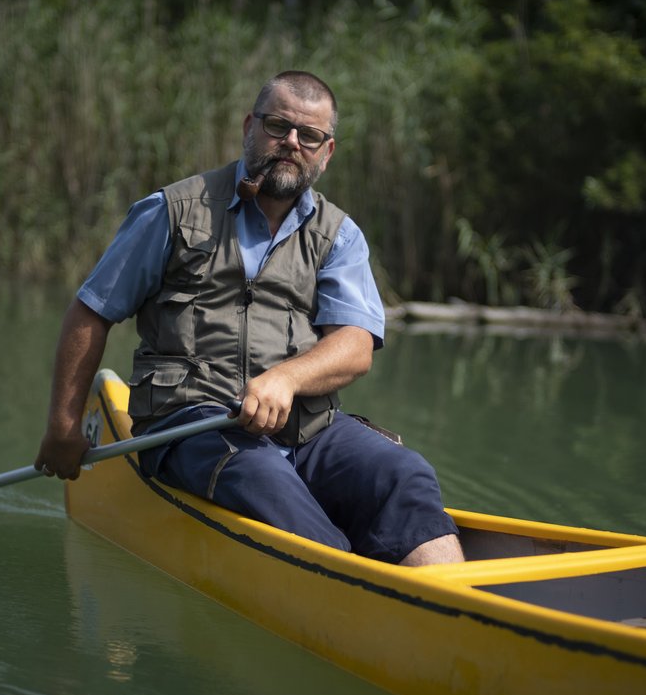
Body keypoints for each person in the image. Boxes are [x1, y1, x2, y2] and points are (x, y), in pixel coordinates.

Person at [33, 70, 463, 566]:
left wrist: (285, 379)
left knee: (404, 474)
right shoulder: (171, 211)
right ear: (248, 127)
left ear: (327, 152)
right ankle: (356, 589)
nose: (292, 143)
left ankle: (446, 603)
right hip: (192, 424)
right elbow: (91, 312)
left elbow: (355, 344)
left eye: (311, 136)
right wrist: (63, 425)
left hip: (310, 429)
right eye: (278, 126)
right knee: (265, 481)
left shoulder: (340, 235)